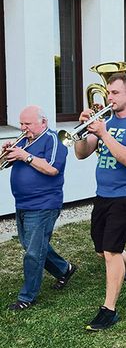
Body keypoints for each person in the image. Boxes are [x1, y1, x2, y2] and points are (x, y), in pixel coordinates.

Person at [74, 73, 126, 331]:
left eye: (116, 93)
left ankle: (109, 310)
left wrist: (104, 133)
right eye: (109, 93)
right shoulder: (104, 122)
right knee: (102, 248)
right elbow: (82, 154)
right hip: (104, 194)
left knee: (111, 251)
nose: (110, 98)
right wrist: (82, 132)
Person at [3, 106, 76, 310]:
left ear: (43, 122)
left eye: (28, 124)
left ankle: (27, 297)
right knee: (31, 245)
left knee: (34, 252)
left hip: (43, 204)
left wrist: (24, 156)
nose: (23, 128)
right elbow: (16, 163)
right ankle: (64, 269)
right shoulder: (25, 141)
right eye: (21, 123)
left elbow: (52, 168)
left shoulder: (53, 139)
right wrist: (9, 154)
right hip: (23, 202)